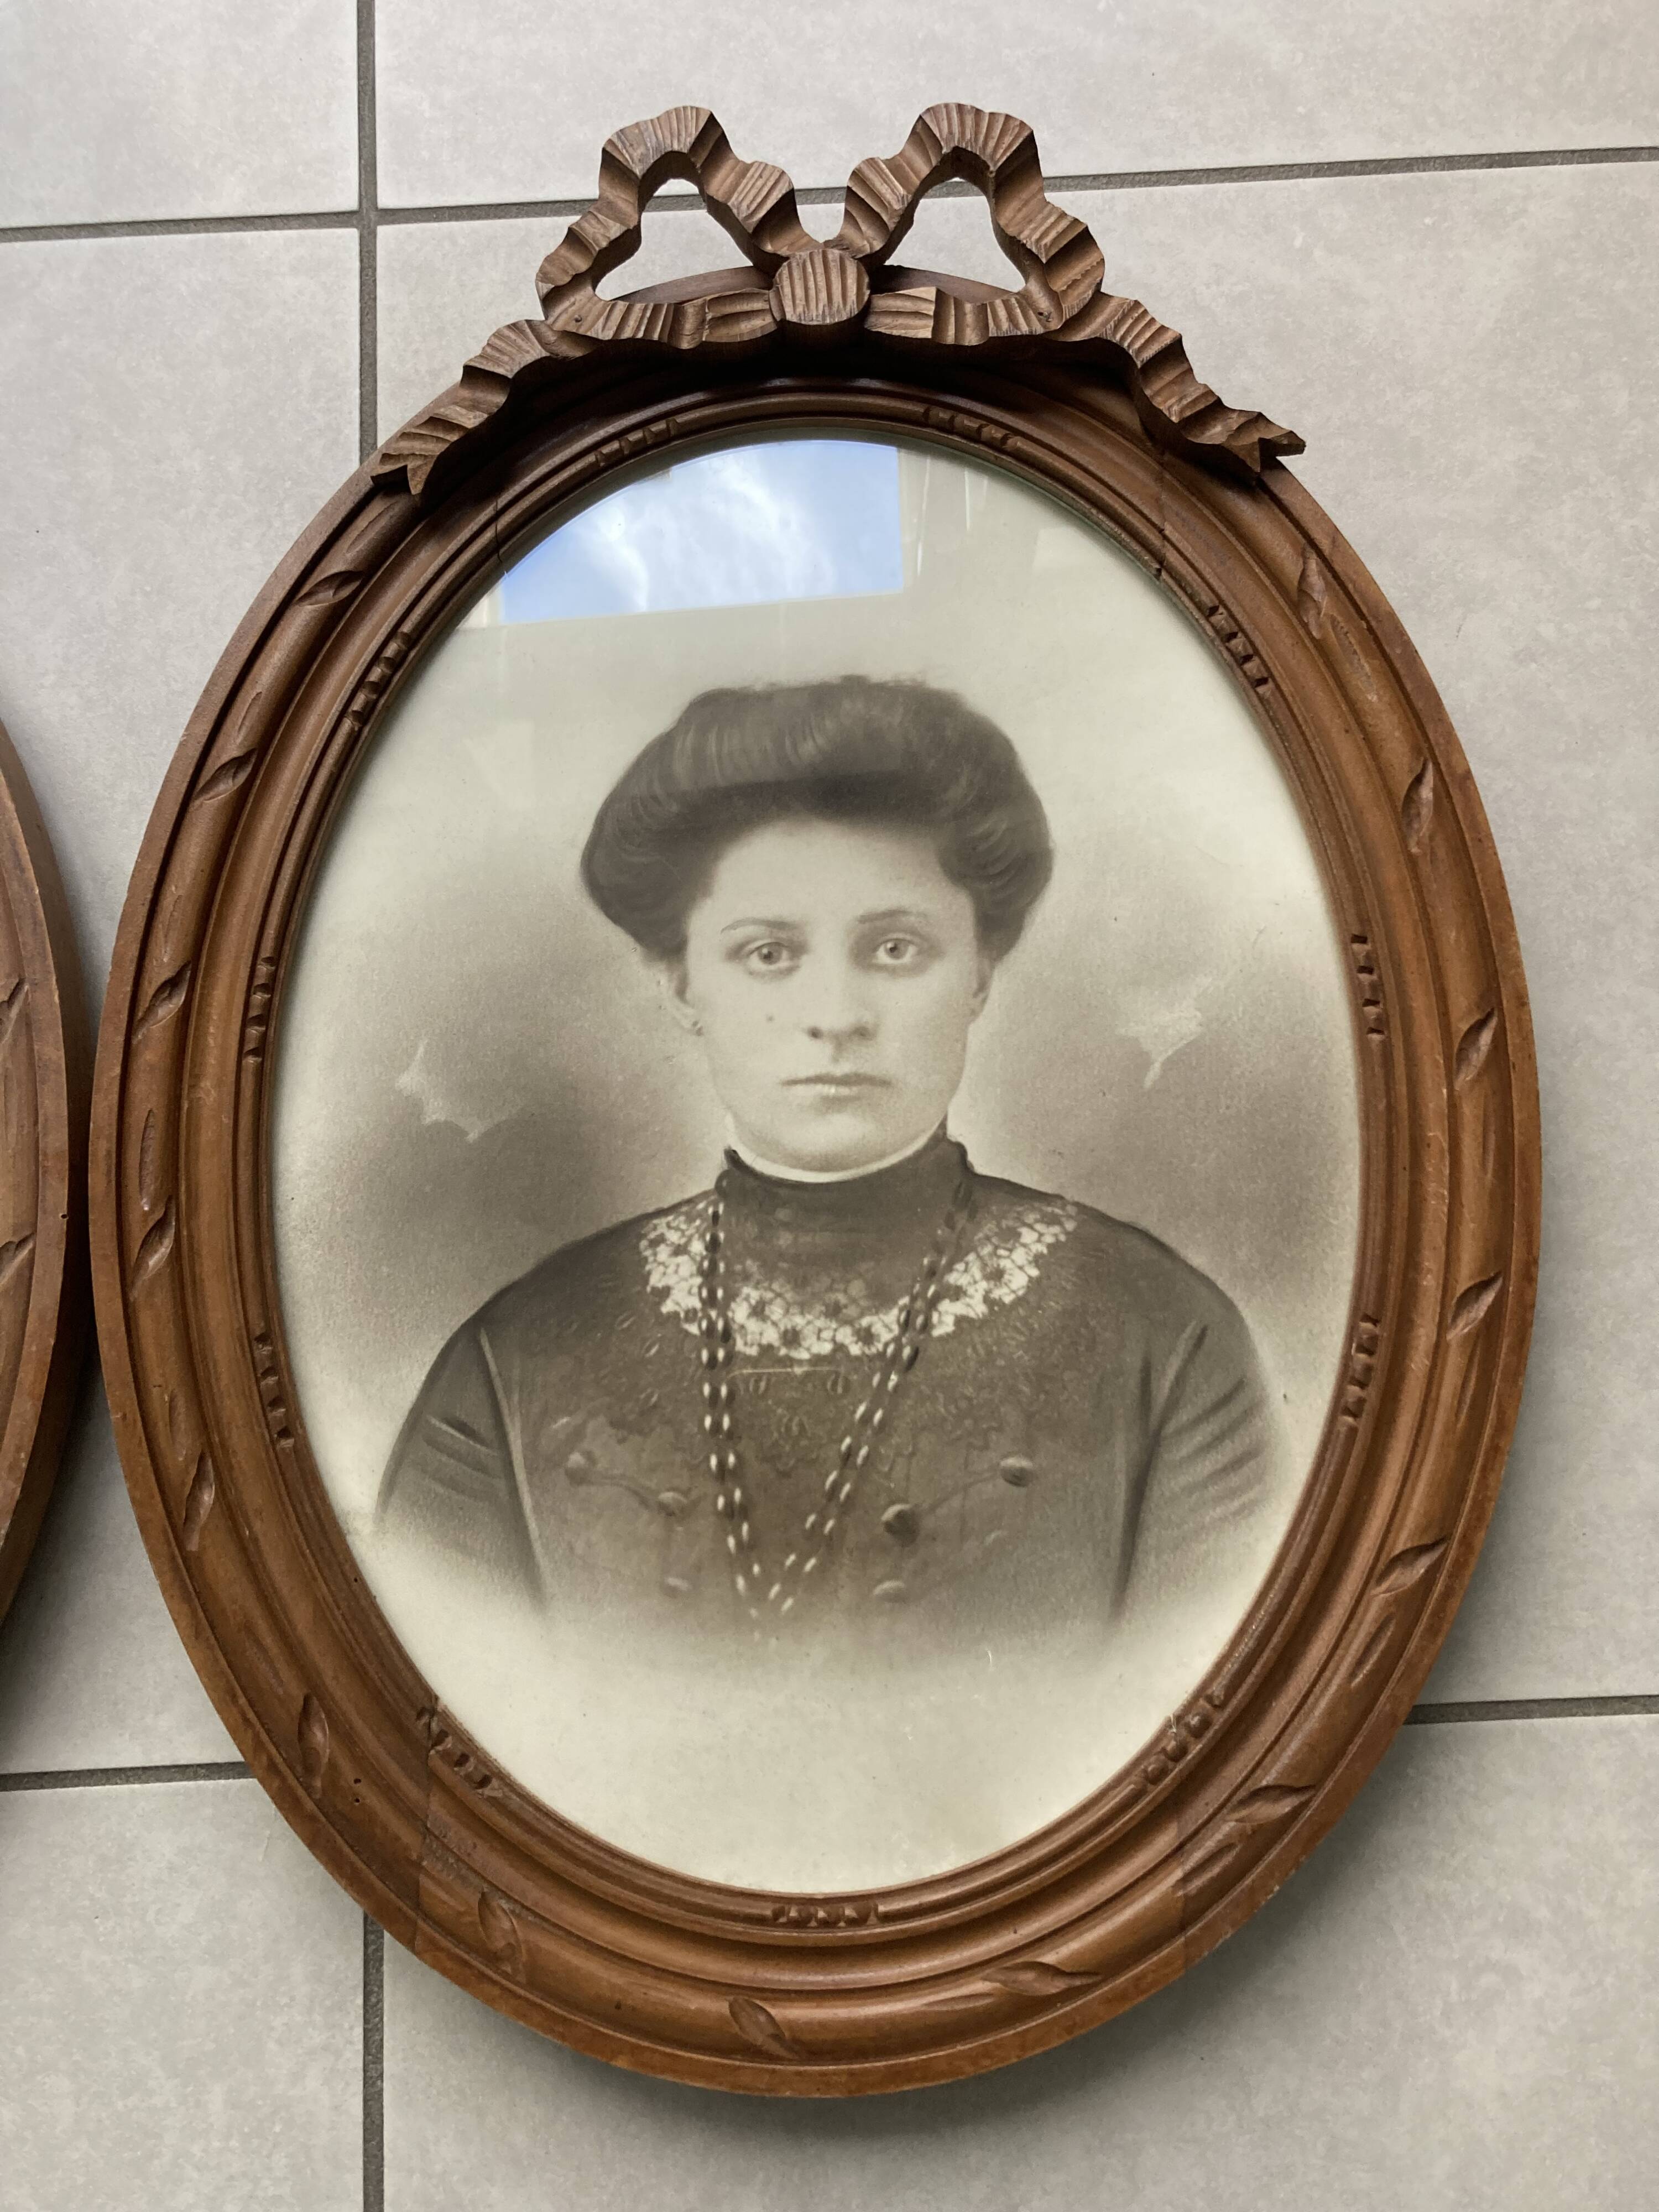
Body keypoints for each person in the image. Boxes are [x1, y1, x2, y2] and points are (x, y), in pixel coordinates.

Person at [378, 676, 1282, 1658]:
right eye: (769, 953)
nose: (838, 1014)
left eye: (895, 948)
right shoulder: (514, 1362)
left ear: (978, 970)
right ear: (682, 983)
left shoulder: (1163, 1335)